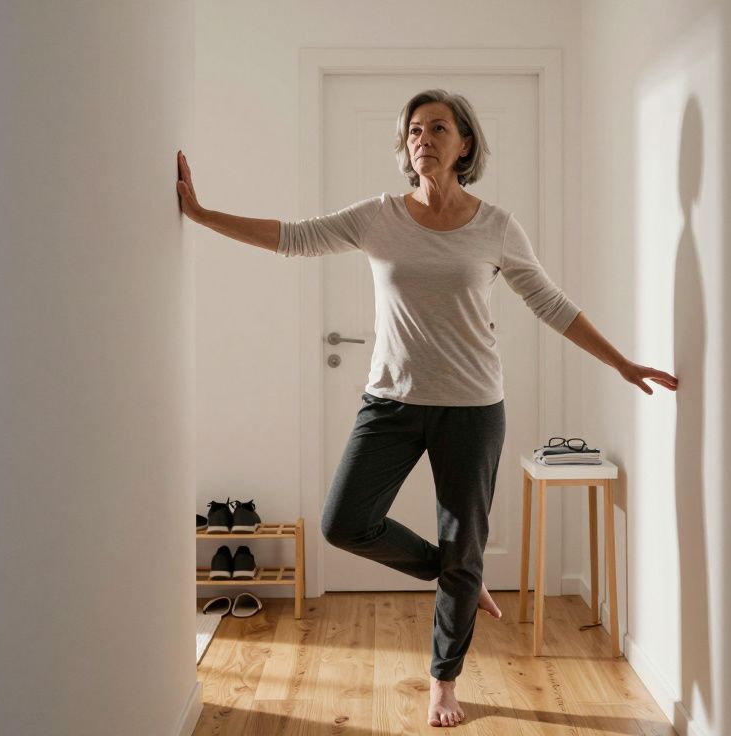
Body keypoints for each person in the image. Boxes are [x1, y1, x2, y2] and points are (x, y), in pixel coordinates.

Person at [176, 89, 678, 728]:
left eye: (439, 128)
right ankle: (458, 572)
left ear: (465, 144)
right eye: (414, 129)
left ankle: (444, 680)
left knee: (463, 543)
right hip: (390, 402)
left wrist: (622, 363)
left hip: (473, 407)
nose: (424, 139)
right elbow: (294, 238)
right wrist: (200, 214)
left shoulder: (496, 226)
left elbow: (550, 303)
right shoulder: (379, 216)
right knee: (345, 522)